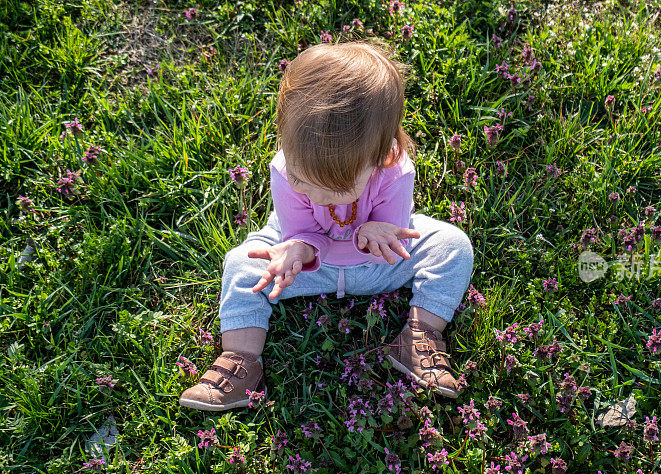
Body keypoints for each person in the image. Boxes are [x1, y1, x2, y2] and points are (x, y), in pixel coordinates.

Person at [179, 39, 474, 412]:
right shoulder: (285, 170)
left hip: (377, 264)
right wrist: (296, 248)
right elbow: (298, 229)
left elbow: (395, 231)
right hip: (304, 267)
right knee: (242, 263)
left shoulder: (395, 172)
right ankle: (241, 361)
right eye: (303, 181)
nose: (315, 196)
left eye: (334, 189)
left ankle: (419, 335)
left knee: (451, 244)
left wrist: (379, 230)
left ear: (379, 159)